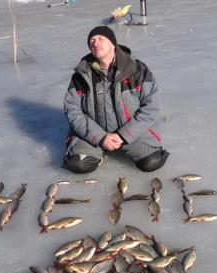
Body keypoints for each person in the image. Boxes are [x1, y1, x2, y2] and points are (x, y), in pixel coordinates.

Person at [63, 26, 169, 173]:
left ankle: (121, 144)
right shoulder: (81, 75)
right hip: (95, 134)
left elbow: (151, 108)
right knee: (78, 164)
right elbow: (72, 110)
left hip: (130, 132)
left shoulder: (138, 71)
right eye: (92, 40)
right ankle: (99, 149)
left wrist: (123, 136)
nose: (95, 43)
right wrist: (100, 138)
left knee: (152, 162)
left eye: (101, 39)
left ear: (113, 43)